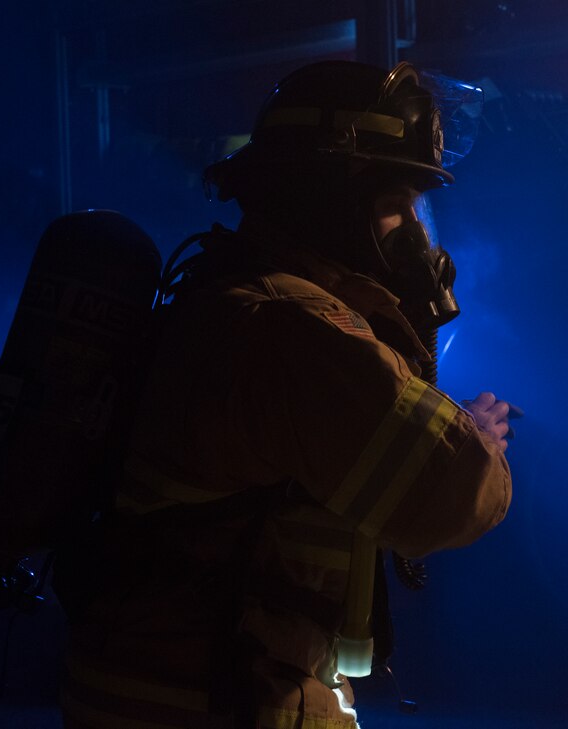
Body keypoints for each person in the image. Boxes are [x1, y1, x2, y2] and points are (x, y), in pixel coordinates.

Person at [57, 60, 518, 729]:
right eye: (398, 205)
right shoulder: (292, 329)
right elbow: (448, 490)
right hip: (212, 700)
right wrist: (473, 433)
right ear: (332, 196)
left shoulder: (233, 298)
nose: (414, 231)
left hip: (158, 687)